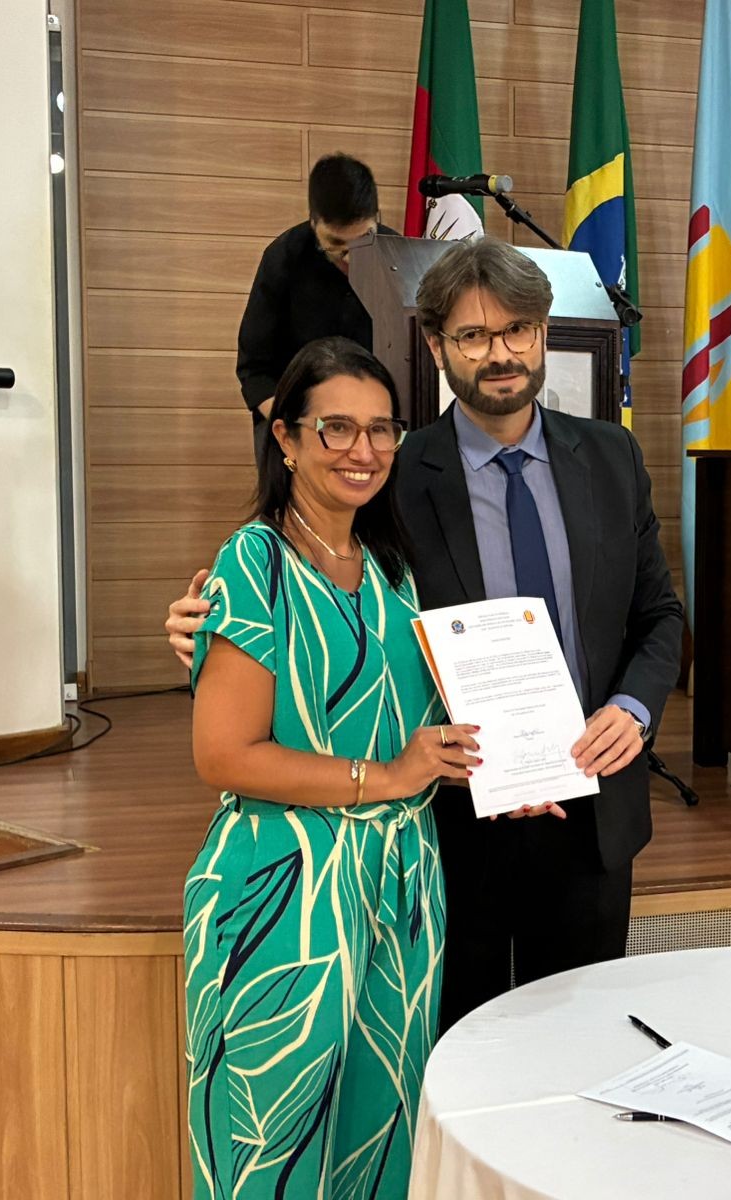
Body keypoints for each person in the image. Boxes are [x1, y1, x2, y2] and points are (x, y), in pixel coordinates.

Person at [172, 238, 684, 1033]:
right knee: (458, 1054)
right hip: (450, 822)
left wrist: (634, 707)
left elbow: (660, 616)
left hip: (591, 811)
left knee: (580, 1048)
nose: (501, 353)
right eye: (473, 336)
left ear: (545, 335)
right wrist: (206, 627)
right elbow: (309, 581)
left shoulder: (613, 457)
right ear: (438, 347)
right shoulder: (389, 473)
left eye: (517, 330)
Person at [183, 337, 479, 1197]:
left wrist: (492, 761)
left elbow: (415, 721)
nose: (364, 451)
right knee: (270, 1152)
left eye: (382, 430)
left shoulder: (392, 568)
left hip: (402, 885)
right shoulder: (254, 560)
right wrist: (388, 776)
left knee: (379, 1141)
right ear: (285, 437)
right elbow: (224, 754)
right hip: (285, 894)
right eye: (336, 429)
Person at [236, 153, 396, 451]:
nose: (350, 259)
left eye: (363, 242)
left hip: (375, 423)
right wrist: (294, 431)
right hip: (295, 420)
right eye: (335, 246)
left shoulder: (399, 259)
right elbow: (255, 369)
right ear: (314, 223)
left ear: (378, 218)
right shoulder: (283, 259)